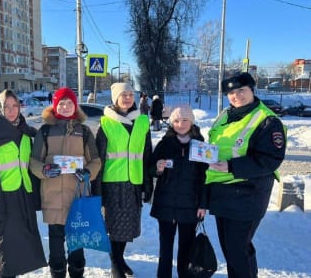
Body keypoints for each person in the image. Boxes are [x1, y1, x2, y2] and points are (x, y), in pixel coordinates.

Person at [207, 72, 286, 278]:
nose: (236, 96)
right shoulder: (226, 114)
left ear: (252, 90)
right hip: (222, 191)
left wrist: (232, 167)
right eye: (231, 92)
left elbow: (270, 159)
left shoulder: (267, 120)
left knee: (238, 250)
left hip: (248, 193)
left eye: (241, 90)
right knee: (230, 249)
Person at [30, 87, 101, 278]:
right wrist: (44, 170)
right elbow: (34, 162)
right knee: (56, 246)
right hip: (52, 198)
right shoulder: (44, 131)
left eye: (70, 102)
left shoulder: (84, 132)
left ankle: (77, 273)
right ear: (55, 106)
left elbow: (96, 161)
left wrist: (87, 172)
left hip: (77, 198)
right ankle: (57, 274)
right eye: (61, 103)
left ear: (75, 106)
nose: (66, 106)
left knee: (77, 246)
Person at [0, 89, 46, 277]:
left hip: (22, 197)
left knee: (21, 251)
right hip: (1, 199)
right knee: (5, 252)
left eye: (15, 106)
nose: (11, 110)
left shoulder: (24, 132)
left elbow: (28, 166)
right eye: (6, 106)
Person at [95, 82, 153, 278]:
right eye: (123, 95)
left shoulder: (143, 121)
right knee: (113, 226)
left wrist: (148, 183)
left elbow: (146, 155)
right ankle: (115, 264)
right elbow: (99, 158)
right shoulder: (106, 123)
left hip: (134, 183)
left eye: (130, 94)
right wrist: (98, 189)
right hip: (112, 183)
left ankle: (120, 259)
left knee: (128, 226)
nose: (127, 98)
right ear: (115, 98)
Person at [149, 105, 208, 278]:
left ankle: (184, 274)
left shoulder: (201, 146)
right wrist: (157, 168)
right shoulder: (164, 144)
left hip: (190, 206)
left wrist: (203, 204)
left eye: (185, 120)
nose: (180, 124)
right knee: (165, 248)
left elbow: (206, 177)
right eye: (176, 120)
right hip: (165, 205)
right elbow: (151, 169)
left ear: (192, 123)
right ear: (171, 123)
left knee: (186, 248)